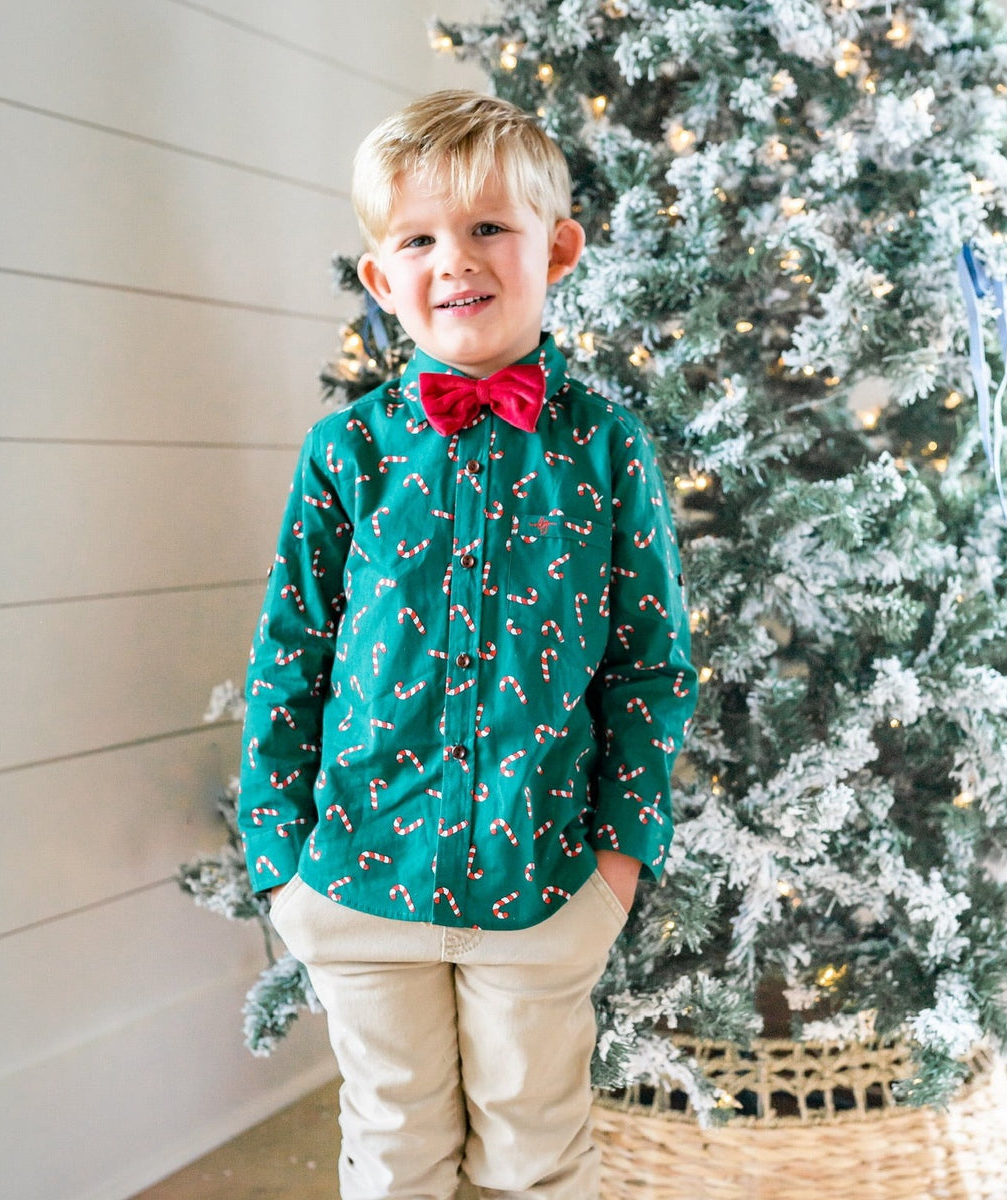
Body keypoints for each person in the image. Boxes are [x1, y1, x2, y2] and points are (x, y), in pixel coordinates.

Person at [237, 89, 698, 1200]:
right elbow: (290, 651)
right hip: (358, 879)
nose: (459, 258)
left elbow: (649, 664)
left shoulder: (608, 447)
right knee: (394, 1150)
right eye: (420, 238)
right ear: (382, 279)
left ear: (559, 247)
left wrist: (617, 865)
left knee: (538, 1153)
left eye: (491, 225)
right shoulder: (349, 452)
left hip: (541, 882)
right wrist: (279, 862)